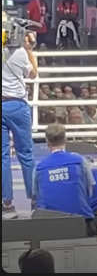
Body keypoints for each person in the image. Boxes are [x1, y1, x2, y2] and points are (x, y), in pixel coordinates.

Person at [2, 31, 37, 219]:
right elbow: (33, 74)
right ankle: (35, 200)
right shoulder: (20, 52)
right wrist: (29, 49)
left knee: (2, 157)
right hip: (17, 106)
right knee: (26, 154)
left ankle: (7, 204)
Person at [32, 124, 95, 220]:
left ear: (47, 141)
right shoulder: (80, 160)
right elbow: (90, 189)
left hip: (48, 223)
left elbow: (35, 195)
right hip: (81, 220)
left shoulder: (39, 168)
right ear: (65, 139)